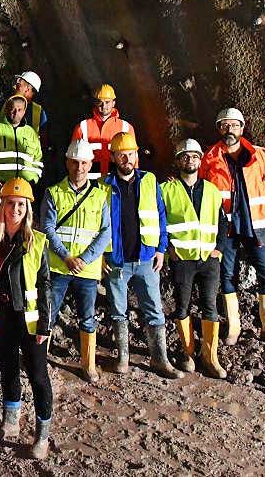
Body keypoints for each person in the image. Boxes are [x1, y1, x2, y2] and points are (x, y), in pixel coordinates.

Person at [200, 107, 265, 345]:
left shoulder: (259, 156)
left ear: (242, 127)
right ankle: (234, 327)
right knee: (227, 275)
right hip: (226, 227)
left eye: (234, 125)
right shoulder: (209, 158)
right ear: (219, 128)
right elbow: (201, 194)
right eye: (225, 125)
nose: (230, 130)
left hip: (257, 224)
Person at [102, 132, 181, 379]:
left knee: (154, 309)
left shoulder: (149, 181)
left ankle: (160, 359)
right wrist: (102, 256)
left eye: (131, 154)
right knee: (118, 310)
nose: (127, 158)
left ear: (137, 155)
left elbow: (160, 215)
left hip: (147, 258)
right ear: (113, 156)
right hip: (117, 259)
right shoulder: (103, 186)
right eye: (122, 154)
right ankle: (123, 357)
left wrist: (160, 249)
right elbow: (99, 223)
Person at [0, 178, 52, 459]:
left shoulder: (37, 242)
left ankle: (42, 435)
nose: (15, 209)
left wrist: (45, 325)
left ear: (28, 208)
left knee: (38, 376)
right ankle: (11, 421)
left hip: (29, 320)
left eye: (21, 205)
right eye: (10, 204)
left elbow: (45, 284)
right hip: (1, 318)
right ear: (2, 206)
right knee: (8, 370)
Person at [41, 140, 111, 382]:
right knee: (48, 314)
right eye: (75, 162)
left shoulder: (100, 196)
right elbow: (48, 228)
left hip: (87, 270)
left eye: (83, 163)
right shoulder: (53, 193)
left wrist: (84, 259)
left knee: (88, 317)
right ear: (67, 163)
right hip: (59, 266)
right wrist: (66, 256)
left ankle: (88, 365)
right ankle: (40, 363)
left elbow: (105, 232)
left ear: (90, 164)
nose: (79, 167)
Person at [162, 139, 231, 378]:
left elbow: (223, 222)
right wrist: (168, 247)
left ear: (200, 160)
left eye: (194, 156)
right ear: (178, 161)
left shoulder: (212, 190)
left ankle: (210, 357)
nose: (189, 160)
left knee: (210, 307)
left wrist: (219, 248)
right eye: (185, 156)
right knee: (182, 306)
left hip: (209, 260)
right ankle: (188, 353)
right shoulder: (166, 190)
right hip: (182, 259)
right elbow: (159, 222)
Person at [70, 83, 134, 181]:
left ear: (114, 103)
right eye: (100, 102)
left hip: (116, 184)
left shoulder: (126, 127)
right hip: (90, 185)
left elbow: (134, 160)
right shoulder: (82, 127)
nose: (104, 106)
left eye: (107, 102)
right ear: (95, 102)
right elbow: (73, 160)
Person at [0, 94, 43, 184]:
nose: (16, 113)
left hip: (27, 185)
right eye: (13, 109)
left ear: (24, 111)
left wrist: (35, 178)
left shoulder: (31, 132)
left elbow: (38, 159)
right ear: (7, 109)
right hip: (0, 184)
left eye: (19, 110)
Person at [9, 71, 48, 137]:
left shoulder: (39, 112)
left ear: (27, 89)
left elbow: (43, 140)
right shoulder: (5, 105)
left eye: (19, 83)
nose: (15, 86)